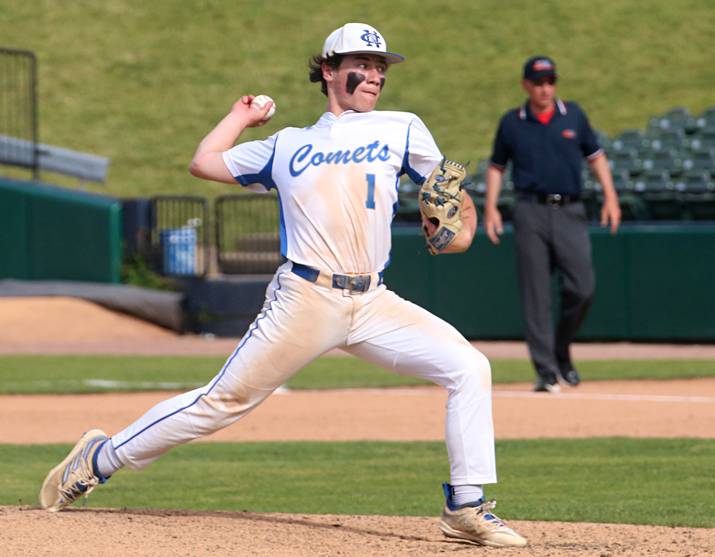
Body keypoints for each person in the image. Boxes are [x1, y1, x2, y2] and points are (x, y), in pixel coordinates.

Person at [39, 23, 527, 548]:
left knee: (469, 367)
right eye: (363, 65)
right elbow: (203, 163)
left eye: (382, 67)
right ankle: (100, 458)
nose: (375, 76)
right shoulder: (287, 145)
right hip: (305, 299)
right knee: (221, 403)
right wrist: (240, 117)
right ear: (328, 70)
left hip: (374, 301)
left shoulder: (403, 127)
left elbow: (448, 195)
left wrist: (461, 230)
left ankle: (466, 506)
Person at [483, 55, 621, 394]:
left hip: (570, 209)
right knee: (536, 295)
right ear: (526, 85)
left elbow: (596, 156)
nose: (545, 88)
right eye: (538, 82)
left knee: (582, 287)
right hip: (530, 211)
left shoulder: (572, 115)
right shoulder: (512, 122)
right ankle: (545, 371)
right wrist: (490, 209)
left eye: (550, 81)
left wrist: (611, 196)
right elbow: (497, 167)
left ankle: (561, 349)